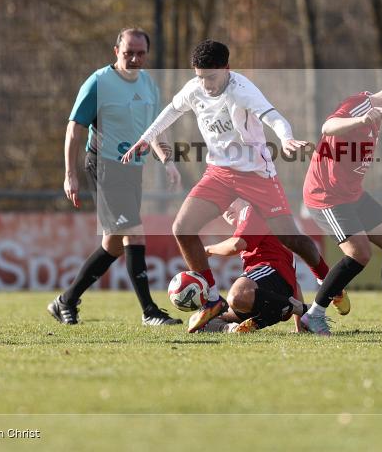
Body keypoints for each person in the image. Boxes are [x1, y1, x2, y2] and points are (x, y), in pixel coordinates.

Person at [122, 39, 346, 333]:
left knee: (290, 238)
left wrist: (286, 139)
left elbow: (273, 117)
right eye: (200, 77)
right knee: (182, 228)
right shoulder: (195, 88)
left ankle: (328, 281)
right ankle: (212, 300)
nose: (206, 85)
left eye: (211, 77)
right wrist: (144, 137)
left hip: (257, 175)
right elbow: (171, 111)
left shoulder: (242, 90)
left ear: (226, 69)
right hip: (219, 173)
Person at [48, 27, 183, 326]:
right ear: (116, 52)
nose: (135, 59)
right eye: (128, 53)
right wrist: (70, 174)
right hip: (104, 166)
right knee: (134, 232)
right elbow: (74, 129)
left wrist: (167, 161)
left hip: (133, 169)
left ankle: (66, 300)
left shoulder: (149, 84)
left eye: (141, 53)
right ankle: (149, 311)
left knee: (112, 243)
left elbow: (155, 129)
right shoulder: (98, 82)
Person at [300, 74, 382, 336]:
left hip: (353, 194)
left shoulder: (377, 115)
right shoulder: (360, 105)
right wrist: (361, 119)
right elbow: (328, 127)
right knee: (360, 254)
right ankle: (313, 316)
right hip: (327, 195)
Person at [202, 200, 307, 333]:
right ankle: (233, 329)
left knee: (237, 296)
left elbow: (236, 245)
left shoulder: (252, 210)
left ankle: (295, 307)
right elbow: (294, 284)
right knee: (203, 322)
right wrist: (300, 326)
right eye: (222, 208)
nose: (226, 210)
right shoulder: (248, 225)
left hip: (273, 288)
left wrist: (207, 250)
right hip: (268, 302)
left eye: (231, 200)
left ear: (244, 198)